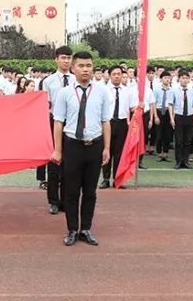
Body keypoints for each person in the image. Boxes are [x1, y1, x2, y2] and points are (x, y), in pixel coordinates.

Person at [51, 51, 111, 247]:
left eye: (89, 66)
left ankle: (86, 228)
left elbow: (106, 121)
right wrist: (58, 150)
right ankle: (72, 230)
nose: (86, 70)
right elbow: (58, 122)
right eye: (81, 66)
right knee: (71, 192)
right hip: (72, 146)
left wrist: (107, 148)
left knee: (90, 192)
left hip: (94, 146)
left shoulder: (102, 91)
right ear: (73, 68)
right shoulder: (65, 93)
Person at [39, 46, 73, 215]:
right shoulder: (48, 81)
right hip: (53, 122)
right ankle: (53, 201)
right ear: (56, 60)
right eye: (63, 58)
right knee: (54, 163)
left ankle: (66, 201)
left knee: (70, 165)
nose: (66, 61)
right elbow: (44, 105)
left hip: (72, 123)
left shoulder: (76, 79)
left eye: (69, 58)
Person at [100, 66, 130, 188]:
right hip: (108, 122)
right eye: (114, 74)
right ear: (109, 75)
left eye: (119, 74)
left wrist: (140, 106)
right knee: (107, 151)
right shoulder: (103, 90)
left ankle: (117, 179)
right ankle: (106, 179)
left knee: (119, 153)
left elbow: (132, 108)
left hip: (122, 123)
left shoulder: (128, 91)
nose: (117, 76)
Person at [168, 70, 193, 170]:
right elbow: (170, 105)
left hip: (189, 116)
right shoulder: (174, 90)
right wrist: (172, 118)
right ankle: (178, 161)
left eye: (186, 78)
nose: (184, 80)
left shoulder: (192, 91)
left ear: (189, 80)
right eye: (183, 78)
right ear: (179, 79)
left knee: (188, 141)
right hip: (179, 116)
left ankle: (186, 161)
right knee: (179, 141)